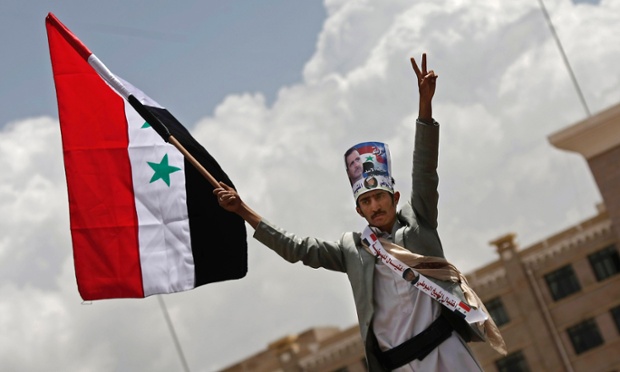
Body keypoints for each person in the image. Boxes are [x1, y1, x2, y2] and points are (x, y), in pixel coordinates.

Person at [213, 54, 489, 371]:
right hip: (399, 365)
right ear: (359, 210)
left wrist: (425, 105)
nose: (375, 206)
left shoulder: (418, 225)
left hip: (447, 354)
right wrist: (242, 210)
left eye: (379, 197)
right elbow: (297, 249)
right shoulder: (353, 251)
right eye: (366, 201)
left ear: (395, 197)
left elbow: (425, 170)